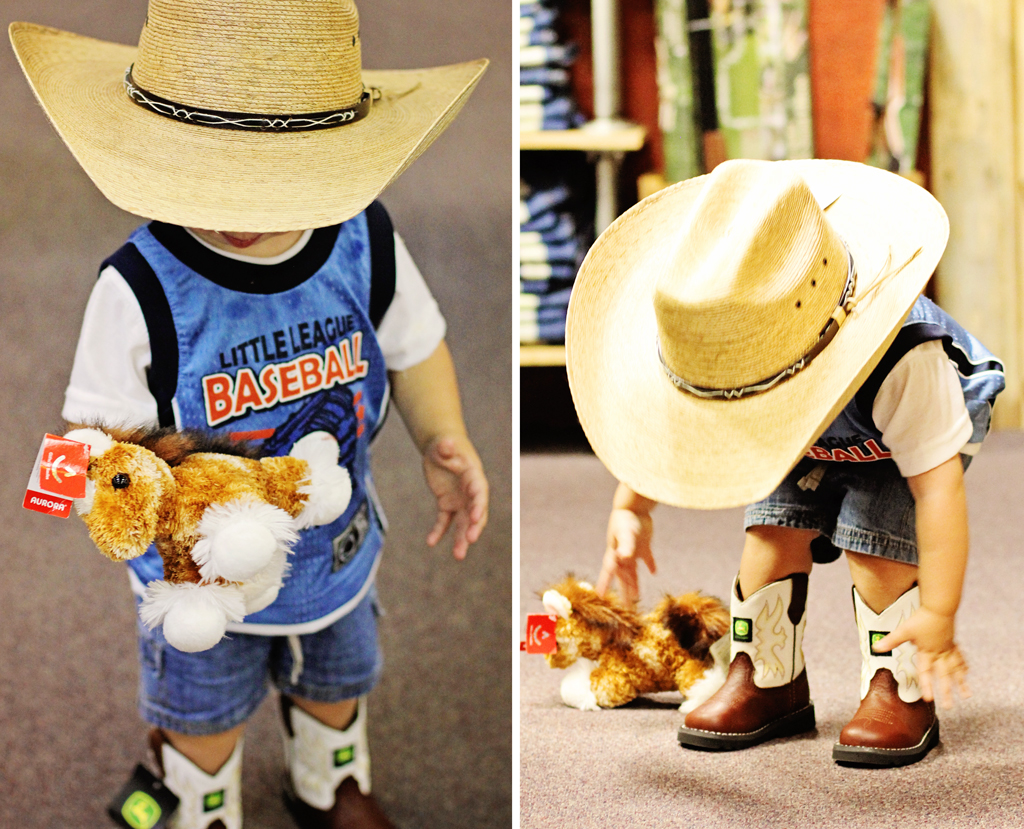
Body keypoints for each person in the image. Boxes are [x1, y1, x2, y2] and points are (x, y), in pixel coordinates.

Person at [10, 2, 489, 827]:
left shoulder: (365, 238)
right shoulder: (139, 287)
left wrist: (443, 436)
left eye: (273, 185)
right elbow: (94, 441)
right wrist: (106, 490)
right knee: (203, 715)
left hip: (332, 552)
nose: (238, 213)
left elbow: (415, 344)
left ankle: (327, 778)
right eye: (205, 176)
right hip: (200, 586)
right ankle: (197, 797)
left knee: (339, 684)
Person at [565, 157, 1004, 768]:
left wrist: (939, 614)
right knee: (770, 531)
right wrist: (630, 505)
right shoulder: (733, 343)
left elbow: (938, 494)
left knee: (874, 538)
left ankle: (896, 686)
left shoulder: (908, 364)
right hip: (798, 430)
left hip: (905, 446)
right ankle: (768, 678)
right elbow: (672, 427)